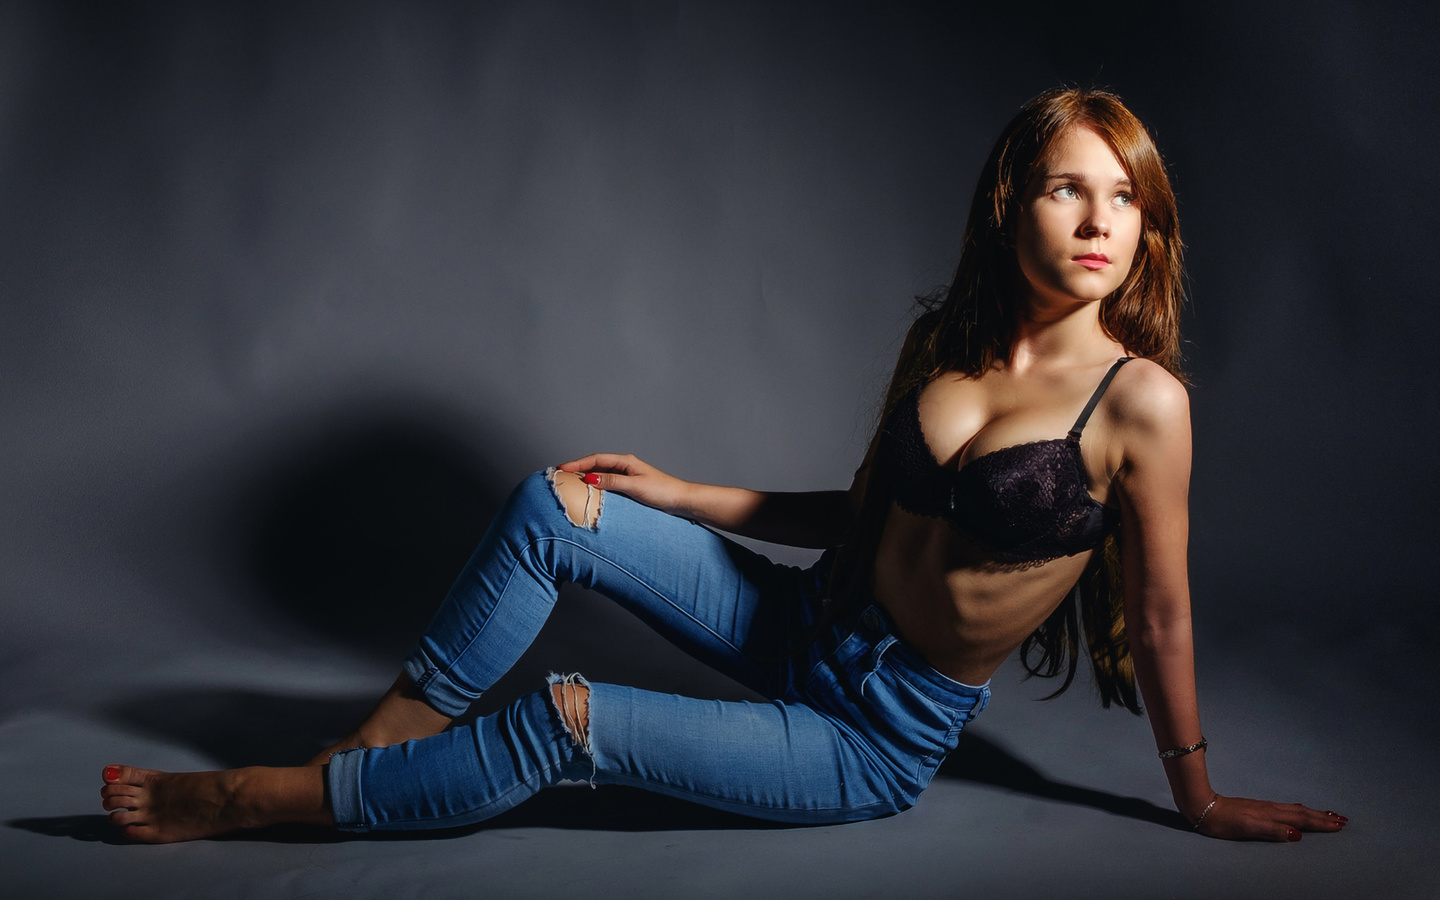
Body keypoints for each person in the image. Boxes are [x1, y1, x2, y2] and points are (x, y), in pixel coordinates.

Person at [98, 87, 1346, 843]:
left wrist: (1199, 796)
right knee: (557, 503)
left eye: (1123, 198)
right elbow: (867, 515)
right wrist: (686, 494)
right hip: (808, 620)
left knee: (562, 718)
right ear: (1010, 202)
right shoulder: (951, 350)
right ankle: (353, 762)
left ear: (1148, 225)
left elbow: (1162, 612)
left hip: (875, 730)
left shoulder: (1142, 403)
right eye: (1069, 190)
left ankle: (260, 803)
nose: (1097, 222)